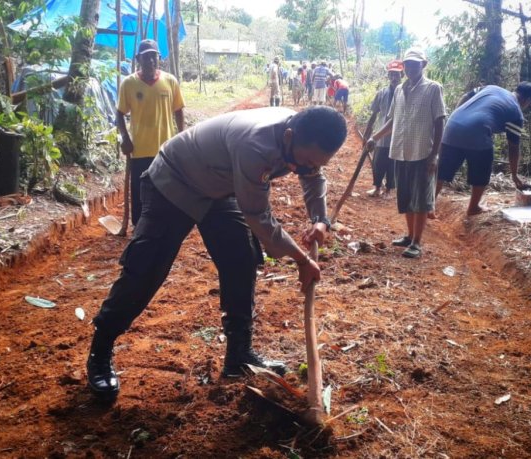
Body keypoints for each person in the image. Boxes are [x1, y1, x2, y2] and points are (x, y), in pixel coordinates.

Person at [86, 106, 348, 402]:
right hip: (174, 181)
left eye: (316, 164)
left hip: (218, 189)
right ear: (289, 136)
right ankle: (100, 349)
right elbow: (259, 218)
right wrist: (302, 259)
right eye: (305, 162)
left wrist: (321, 219)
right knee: (146, 268)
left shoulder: (303, 136)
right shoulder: (256, 145)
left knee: (241, 258)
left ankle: (239, 355)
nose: (306, 169)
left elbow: (313, 177)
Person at [366, 48, 446, 259]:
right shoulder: (400, 90)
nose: (410, 67)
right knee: (406, 197)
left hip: (423, 153)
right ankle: (410, 236)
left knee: (420, 199)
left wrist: (435, 155)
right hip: (400, 151)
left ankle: (417, 243)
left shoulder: (433, 89)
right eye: (407, 64)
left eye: (415, 64)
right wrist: (375, 137)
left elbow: (440, 121)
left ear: (424, 65)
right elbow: (392, 120)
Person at [436, 82, 531, 215]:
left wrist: (459, 116)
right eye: (529, 104)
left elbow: (466, 96)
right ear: (527, 100)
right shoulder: (516, 113)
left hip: (452, 125)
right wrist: (514, 175)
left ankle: (428, 203)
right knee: (483, 168)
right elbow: (513, 148)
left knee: (442, 170)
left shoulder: (491, 88)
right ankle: (473, 207)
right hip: (477, 131)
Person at [117, 39, 185, 226]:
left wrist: (182, 137)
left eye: (153, 56)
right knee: (140, 190)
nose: (150, 61)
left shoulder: (170, 81)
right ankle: (139, 226)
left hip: (166, 148)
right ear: (138, 59)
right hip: (139, 148)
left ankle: (165, 223)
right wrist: (125, 138)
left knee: (166, 188)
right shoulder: (129, 84)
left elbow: (178, 110)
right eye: (146, 57)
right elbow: (119, 113)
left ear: (159, 58)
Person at [363, 60, 404, 198]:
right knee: (378, 162)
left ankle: (389, 190)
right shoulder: (381, 93)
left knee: (393, 164)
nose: (394, 78)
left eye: (396, 75)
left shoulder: (405, 93)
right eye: (391, 74)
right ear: (388, 76)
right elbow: (374, 114)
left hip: (398, 137)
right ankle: (377, 187)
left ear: (402, 75)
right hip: (381, 136)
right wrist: (367, 134)